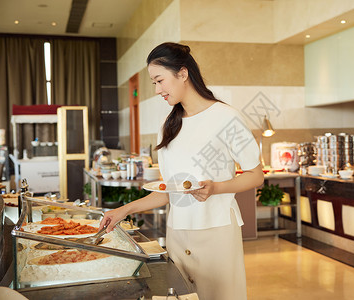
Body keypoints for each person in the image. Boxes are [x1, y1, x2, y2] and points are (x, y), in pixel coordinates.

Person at [99, 42, 264, 300]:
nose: (157, 90)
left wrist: (216, 188)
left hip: (216, 231)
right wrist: (123, 211)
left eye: (159, 80)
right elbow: (169, 190)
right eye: (154, 83)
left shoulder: (226, 117)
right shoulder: (168, 126)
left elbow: (256, 175)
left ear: (183, 73)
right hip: (177, 232)